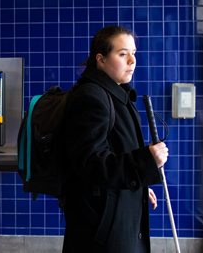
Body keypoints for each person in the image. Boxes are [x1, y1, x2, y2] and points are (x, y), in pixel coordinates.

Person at [61, 25, 169, 252]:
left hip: (114, 219)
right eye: (122, 54)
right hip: (101, 230)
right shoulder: (92, 98)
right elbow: (91, 165)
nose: (132, 61)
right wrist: (145, 161)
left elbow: (116, 153)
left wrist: (138, 186)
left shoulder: (115, 94)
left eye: (134, 53)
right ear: (100, 59)